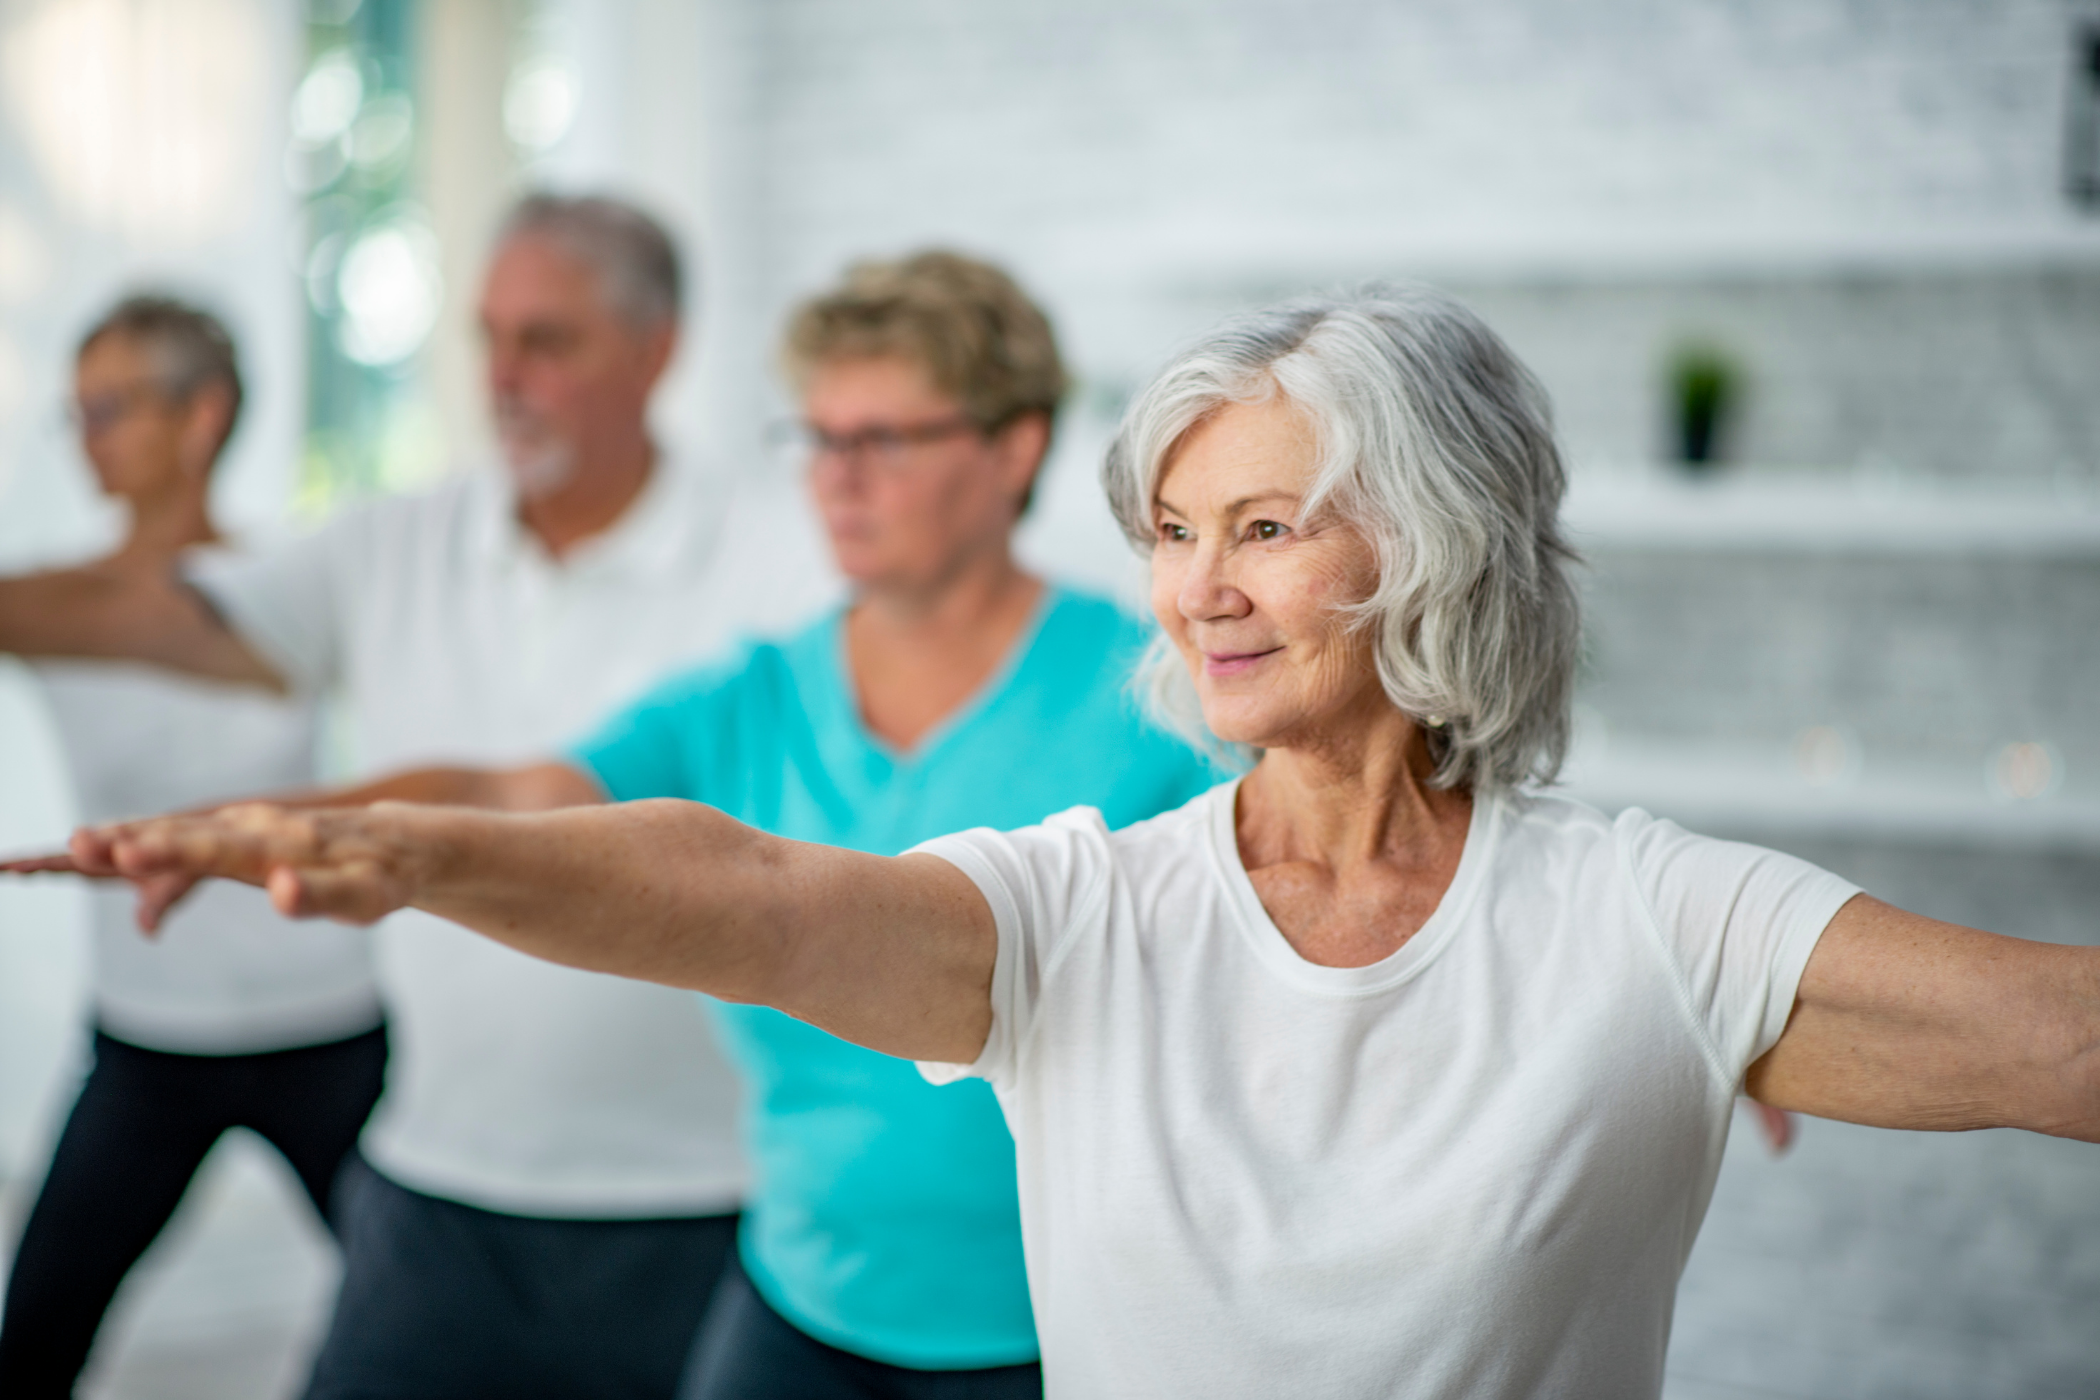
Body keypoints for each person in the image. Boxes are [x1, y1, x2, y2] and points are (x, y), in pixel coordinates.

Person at [31, 287, 2100, 1400]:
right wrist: (392, 844)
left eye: (1267, 528)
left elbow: (2061, 1044)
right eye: (1176, 537)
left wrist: (1717, 1038)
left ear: (1441, 548)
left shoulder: (1655, 913)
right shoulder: (1086, 905)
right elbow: (739, 884)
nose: (1199, 589)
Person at [28, 251, 1222, 1397]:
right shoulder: (752, 693)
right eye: (819, 436)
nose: (838, 476)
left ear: (1015, 446)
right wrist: (295, 829)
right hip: (805, 1302)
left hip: (1061, 1317)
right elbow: (518, 794)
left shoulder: (1160, 696)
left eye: (886, 439)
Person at [0, 197, 823, 1399]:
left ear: (654, 350)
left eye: (547, 341)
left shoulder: (779, 553)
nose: (504, 376)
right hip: (435, 1186)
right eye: (489, 337)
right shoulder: (393, 542)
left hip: (697, 1198)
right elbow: (162, 612)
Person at [0, 297, 385, 1398]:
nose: (87, 436)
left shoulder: (301, 581)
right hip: (147, 1042)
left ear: (202, 414)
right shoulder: (56, 604)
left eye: (110, 407)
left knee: (423, 1317)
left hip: (330, 1034)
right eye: (75, 411)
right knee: (32, 1343)